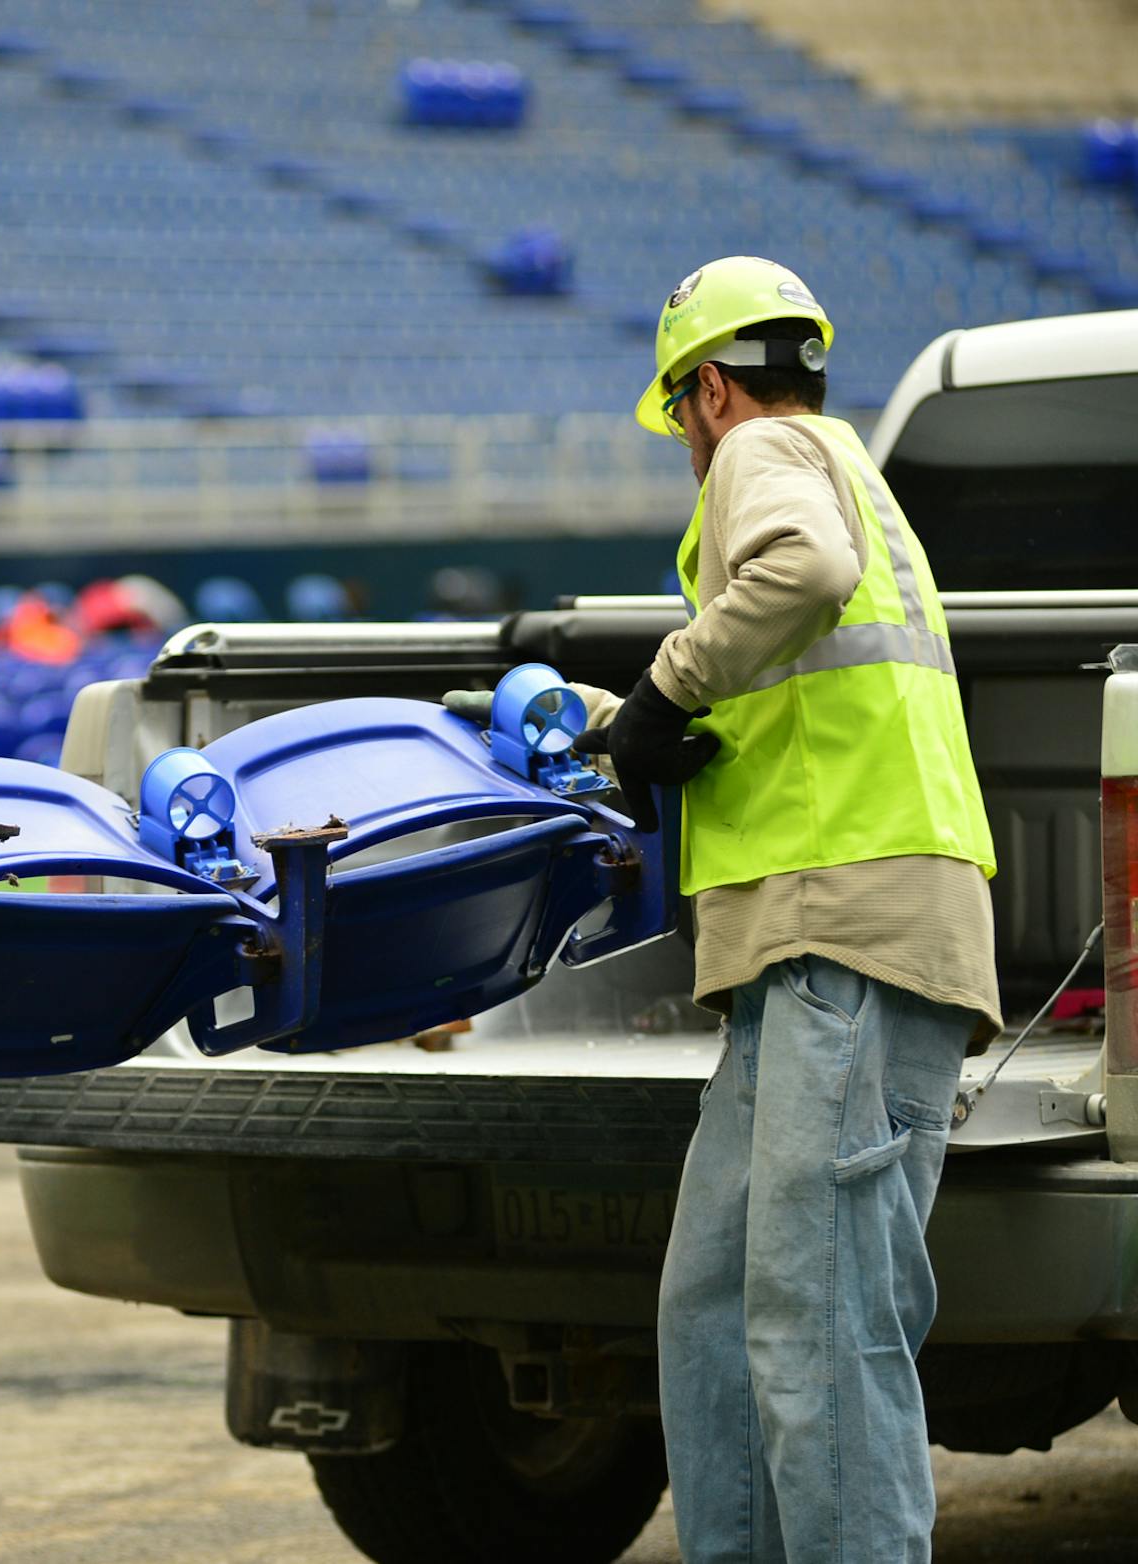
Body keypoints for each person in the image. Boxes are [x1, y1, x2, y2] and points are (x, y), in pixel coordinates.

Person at [453, 255, 999, 1561]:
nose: (687, 454)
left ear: (707, 388)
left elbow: (797, 576)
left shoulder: (766, 456)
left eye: (680, 426)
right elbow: (801, 682)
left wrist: (667, 687)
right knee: (713, 1304)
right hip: (817, 946)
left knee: (820, 1317)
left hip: (847, 936)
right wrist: (622, 728)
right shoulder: (841, 464)